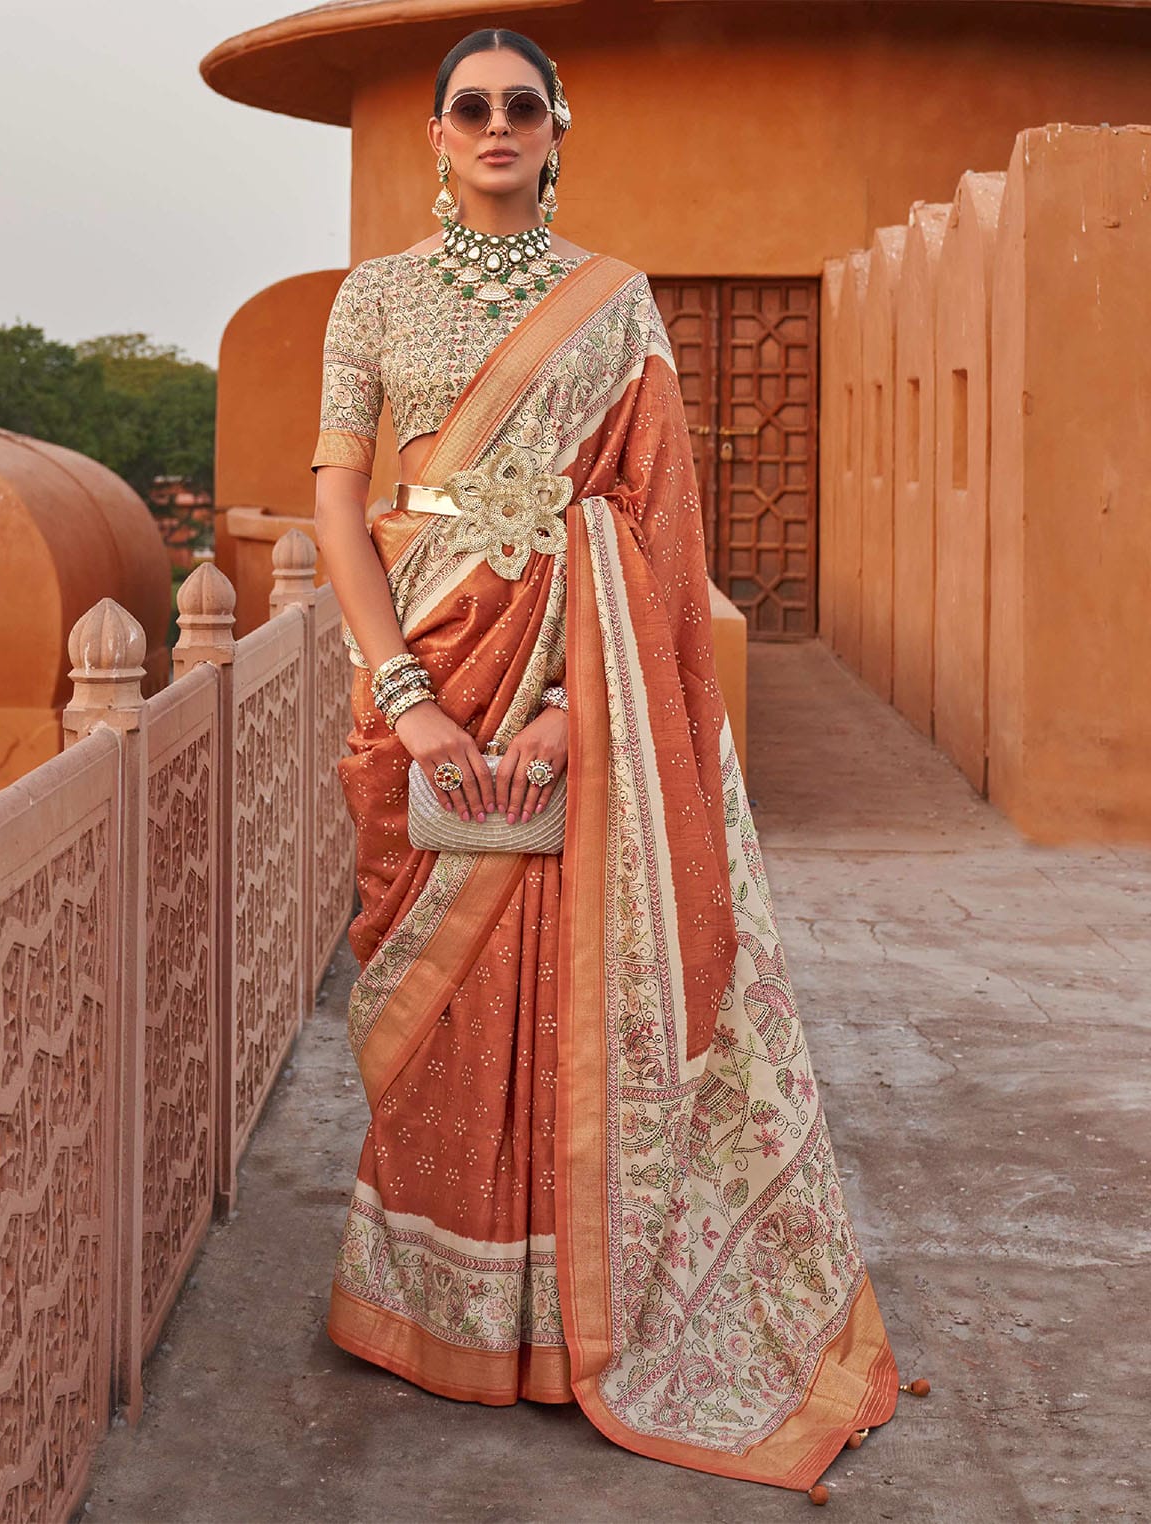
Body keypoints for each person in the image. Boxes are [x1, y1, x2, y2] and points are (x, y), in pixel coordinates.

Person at [311, 27, 923, 1502]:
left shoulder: (618, 303)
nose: (498, 124)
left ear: (555, 127)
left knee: (567, 990)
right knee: (430, 1010)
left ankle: (565, 1317)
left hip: (564, 692)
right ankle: (443, 1311)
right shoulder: (372, 299)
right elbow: (338, 509)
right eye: (473, 107)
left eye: (524, 104)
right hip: (430, 677)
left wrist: (579, 709)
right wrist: (409, 700)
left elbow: (654, 535)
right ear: (439, 138)